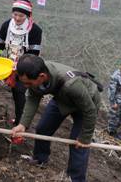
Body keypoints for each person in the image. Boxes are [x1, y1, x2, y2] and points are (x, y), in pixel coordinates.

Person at [11, 54, 102, 182]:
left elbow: (90, 110)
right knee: (43, 128)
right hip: (62, 98)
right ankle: (40, 159)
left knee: (79, 143)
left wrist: (85, 138)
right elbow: (32, 98)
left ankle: (75, 179)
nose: (26, 86)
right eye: (24, 83)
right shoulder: (36, 75)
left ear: (42, 76)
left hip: (86, 103)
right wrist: (23, 124)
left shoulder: (71, 84)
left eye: (28, 83)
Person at [0, 0, 42, 125]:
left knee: (20, 94)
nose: (17, 18)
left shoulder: (35, 31)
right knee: (6, 93)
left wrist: (18, 70)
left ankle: (20, 123)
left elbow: (34, 54)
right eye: (15, 14)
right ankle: (14, 117)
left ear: (27, 15)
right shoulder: (6, 25)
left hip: (25, 68)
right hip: (7, 64)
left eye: (21, 15)